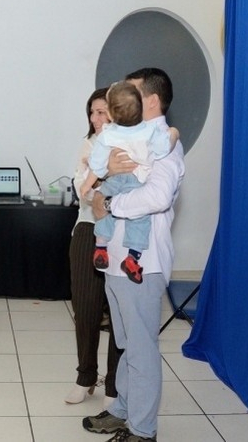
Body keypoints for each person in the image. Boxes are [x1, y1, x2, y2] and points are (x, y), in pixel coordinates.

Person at [82, 68, 185, 441]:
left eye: (132, 92)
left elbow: (156, 197)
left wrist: (109, 201)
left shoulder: (165, 144)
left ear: (152, 101)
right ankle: (123, 408)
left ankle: (143, 430)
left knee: (141, 347)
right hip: (114, 258)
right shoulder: (126, 138)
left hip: (144, 263)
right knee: (125, 342)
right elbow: (90, 186)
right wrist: (99, 192)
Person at [80, 81, 179, 284]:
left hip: (149, 266)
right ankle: (133, 257)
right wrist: (174, 134)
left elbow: (158, 199)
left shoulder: (108, 135)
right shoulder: (152, 133)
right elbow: (162, 148)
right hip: (135, 181)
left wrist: (98, 195)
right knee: (139, 223)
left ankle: (101, 246)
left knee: (132, 217)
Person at [66, 87, 123, 405]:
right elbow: (84, 191)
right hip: (87, 229)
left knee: (118, 312)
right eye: (92, 112)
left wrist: (101, 178)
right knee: (85, 310)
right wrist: (101, 178)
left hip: (120, 233)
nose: (96, 118)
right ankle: (85, 376)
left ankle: (114, 384)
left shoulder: (129, 146)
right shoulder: (88, 146)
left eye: (102, 112)